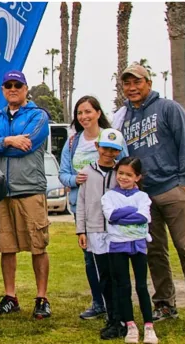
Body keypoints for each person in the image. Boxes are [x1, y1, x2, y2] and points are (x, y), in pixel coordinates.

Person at [0, 70, 52, 319]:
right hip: (2, 191)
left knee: (38, 245)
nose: (12, 89)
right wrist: (8, 140)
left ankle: (42, 298)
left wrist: (1, 145)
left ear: (25, 88)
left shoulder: (38, 115)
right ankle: (10, 297)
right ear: (3, 89)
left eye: (17, 85)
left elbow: (28, 145)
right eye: (8, 85)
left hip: (30, 189)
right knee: (6, 247)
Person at [117, 63, 185, 322]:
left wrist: (184, 182)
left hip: (173, 188)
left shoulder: (168, 108)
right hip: (144, 195)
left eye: (137, 82)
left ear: (148, 82)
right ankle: (165, 304)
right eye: (127, 83)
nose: (132, 88)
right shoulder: (124, 116)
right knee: (155, 251)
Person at [59, 96, 127, 320]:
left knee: (115, 257)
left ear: (98, 112)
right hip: (84, 207)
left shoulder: (112, 136)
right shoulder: (73, 142)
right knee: (90, 258)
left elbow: (125, 168)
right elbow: (63, 173)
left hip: (113, 208)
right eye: (79, 113)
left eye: (88, 111)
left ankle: (117, 305)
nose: (83, 116)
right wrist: (73, 179)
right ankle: (98, 303)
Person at [101, 156, 158, 344]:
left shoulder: (143, 197)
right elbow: (111, 216)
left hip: (139, 245)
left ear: (138, 177)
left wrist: (122, 214)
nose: (123, 178)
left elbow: (143, 217)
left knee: (141, 286)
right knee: (123, 285)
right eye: (121, 173)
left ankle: (149, 326)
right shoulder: (108, 196)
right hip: (117, 246)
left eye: (129, 175)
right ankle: (130, 325)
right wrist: (129, 212)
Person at [75, 128, 125, 339]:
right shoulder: (88, 172)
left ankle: (121, 318)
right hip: (95, 232)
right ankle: (110, 315)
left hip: (117, 233)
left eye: (114, 150)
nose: (109, 153)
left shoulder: (120, 174)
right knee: (103, 276)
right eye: (105, 148)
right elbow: (82, 203)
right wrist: (81, 230)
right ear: (97, 147)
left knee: (119, 276)